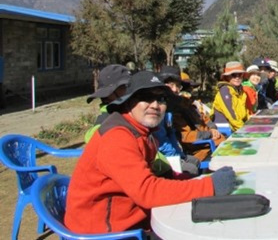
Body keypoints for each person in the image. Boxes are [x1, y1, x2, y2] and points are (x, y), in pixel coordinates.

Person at [65, 70, 237, 235]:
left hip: (130, 218)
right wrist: (209, 186)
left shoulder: (143, 132)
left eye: (161, 99)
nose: (155, 105)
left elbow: (156, 179)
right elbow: (147, 191)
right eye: (146, 97)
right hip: (103, 231)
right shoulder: (117, 136)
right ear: (129, 101)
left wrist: (198, 180)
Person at [159, 65, 225, 163]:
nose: (188, 93)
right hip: (198, 149)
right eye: (186, 90)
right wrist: (209, 134)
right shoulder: (170, 111)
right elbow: (185, 137)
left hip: (206, 143)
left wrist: (213, 129)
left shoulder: (189, 104)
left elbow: (204, 118)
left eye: (178, 86)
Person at [84, 64, 131, 143]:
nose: (130, 90)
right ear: (108, 95)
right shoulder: (106, 124)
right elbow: (92, 138)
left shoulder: (132, 113)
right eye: (124, 87)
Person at [212, 61, 249, 131]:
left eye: (240, 74)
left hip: (237, 126)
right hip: (224, 129)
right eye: (234, 75)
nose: (237, 78)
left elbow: (245, 112)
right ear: (227, 77)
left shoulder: (241, 90)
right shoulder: (224, 91)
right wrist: (245, 129)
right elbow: (232, 116)